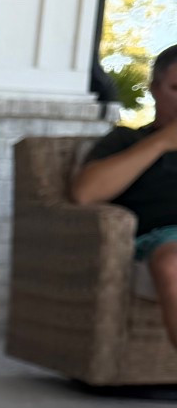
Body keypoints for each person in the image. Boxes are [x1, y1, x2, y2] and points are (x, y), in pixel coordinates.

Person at [70, 44, 177, 346]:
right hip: (163, 237)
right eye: (176, 88)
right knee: (173, 262)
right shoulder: (127, 139)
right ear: (155, 88)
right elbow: (85, 193)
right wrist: (161, 143)